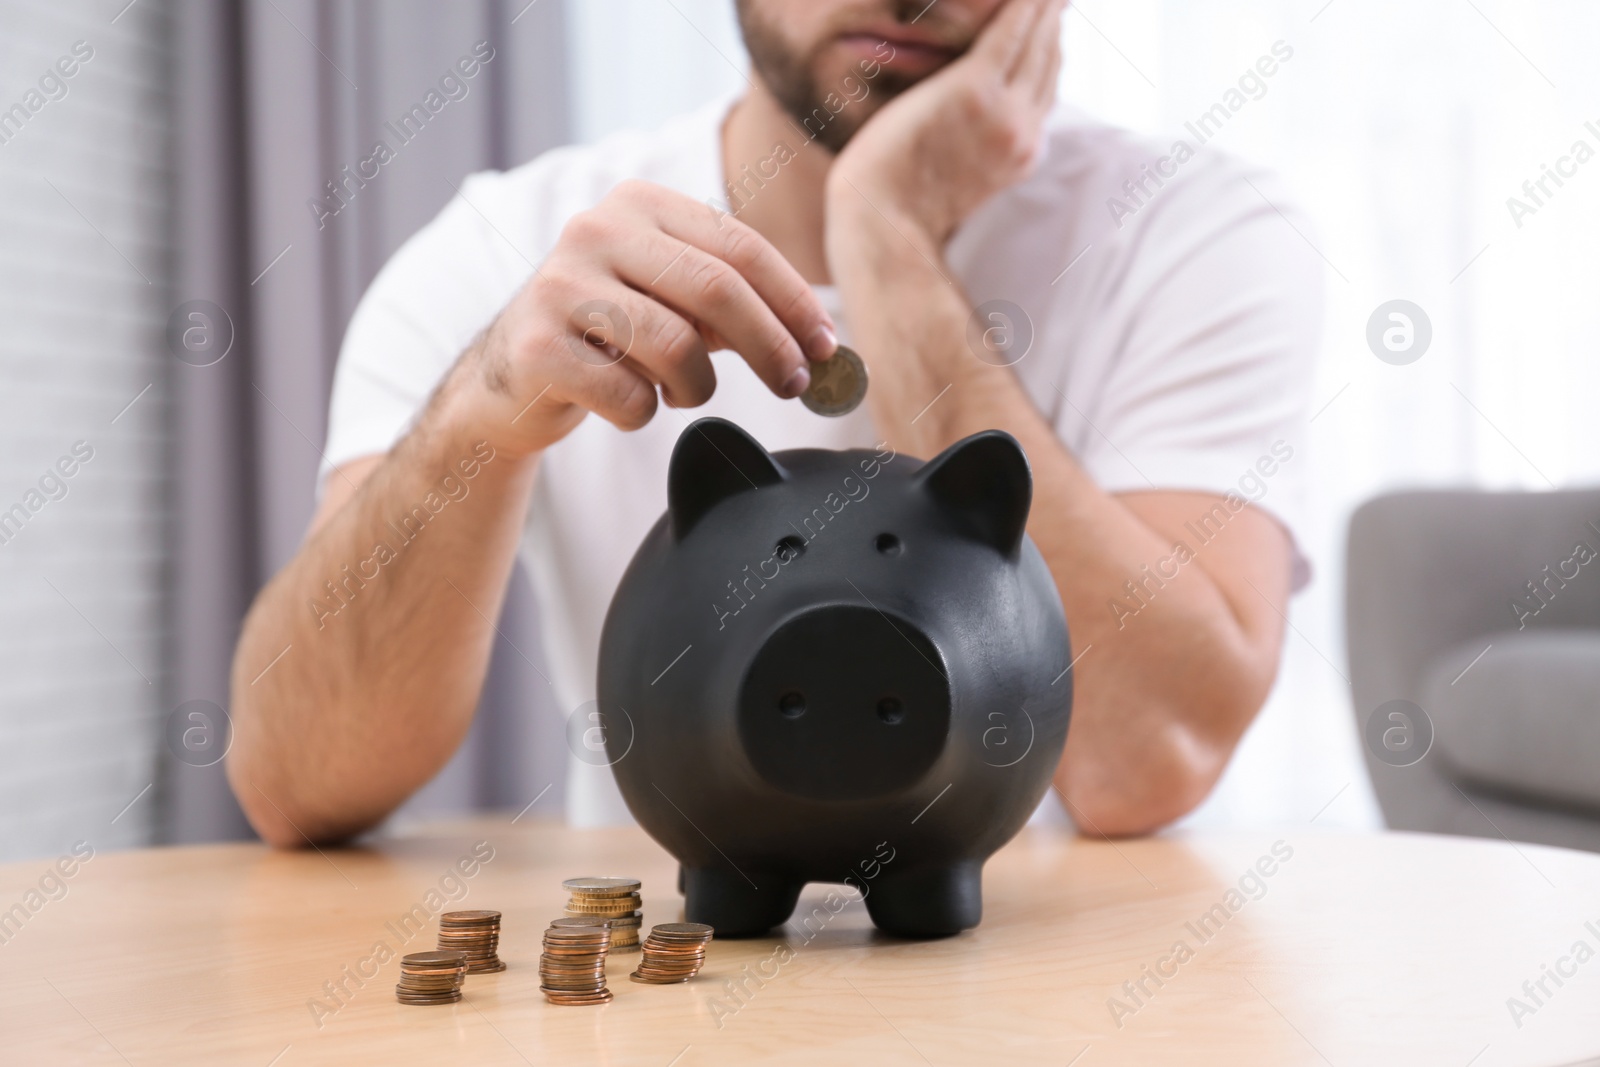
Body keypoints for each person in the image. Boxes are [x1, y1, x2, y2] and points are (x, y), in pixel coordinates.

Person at [227, 0, 1321, 847]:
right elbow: (295, 776)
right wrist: (481, 417)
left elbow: (1147, 761)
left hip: (1073, 995)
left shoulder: (1190, 232)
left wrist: (885, 242)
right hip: (675, 990)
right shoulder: (513, 245)